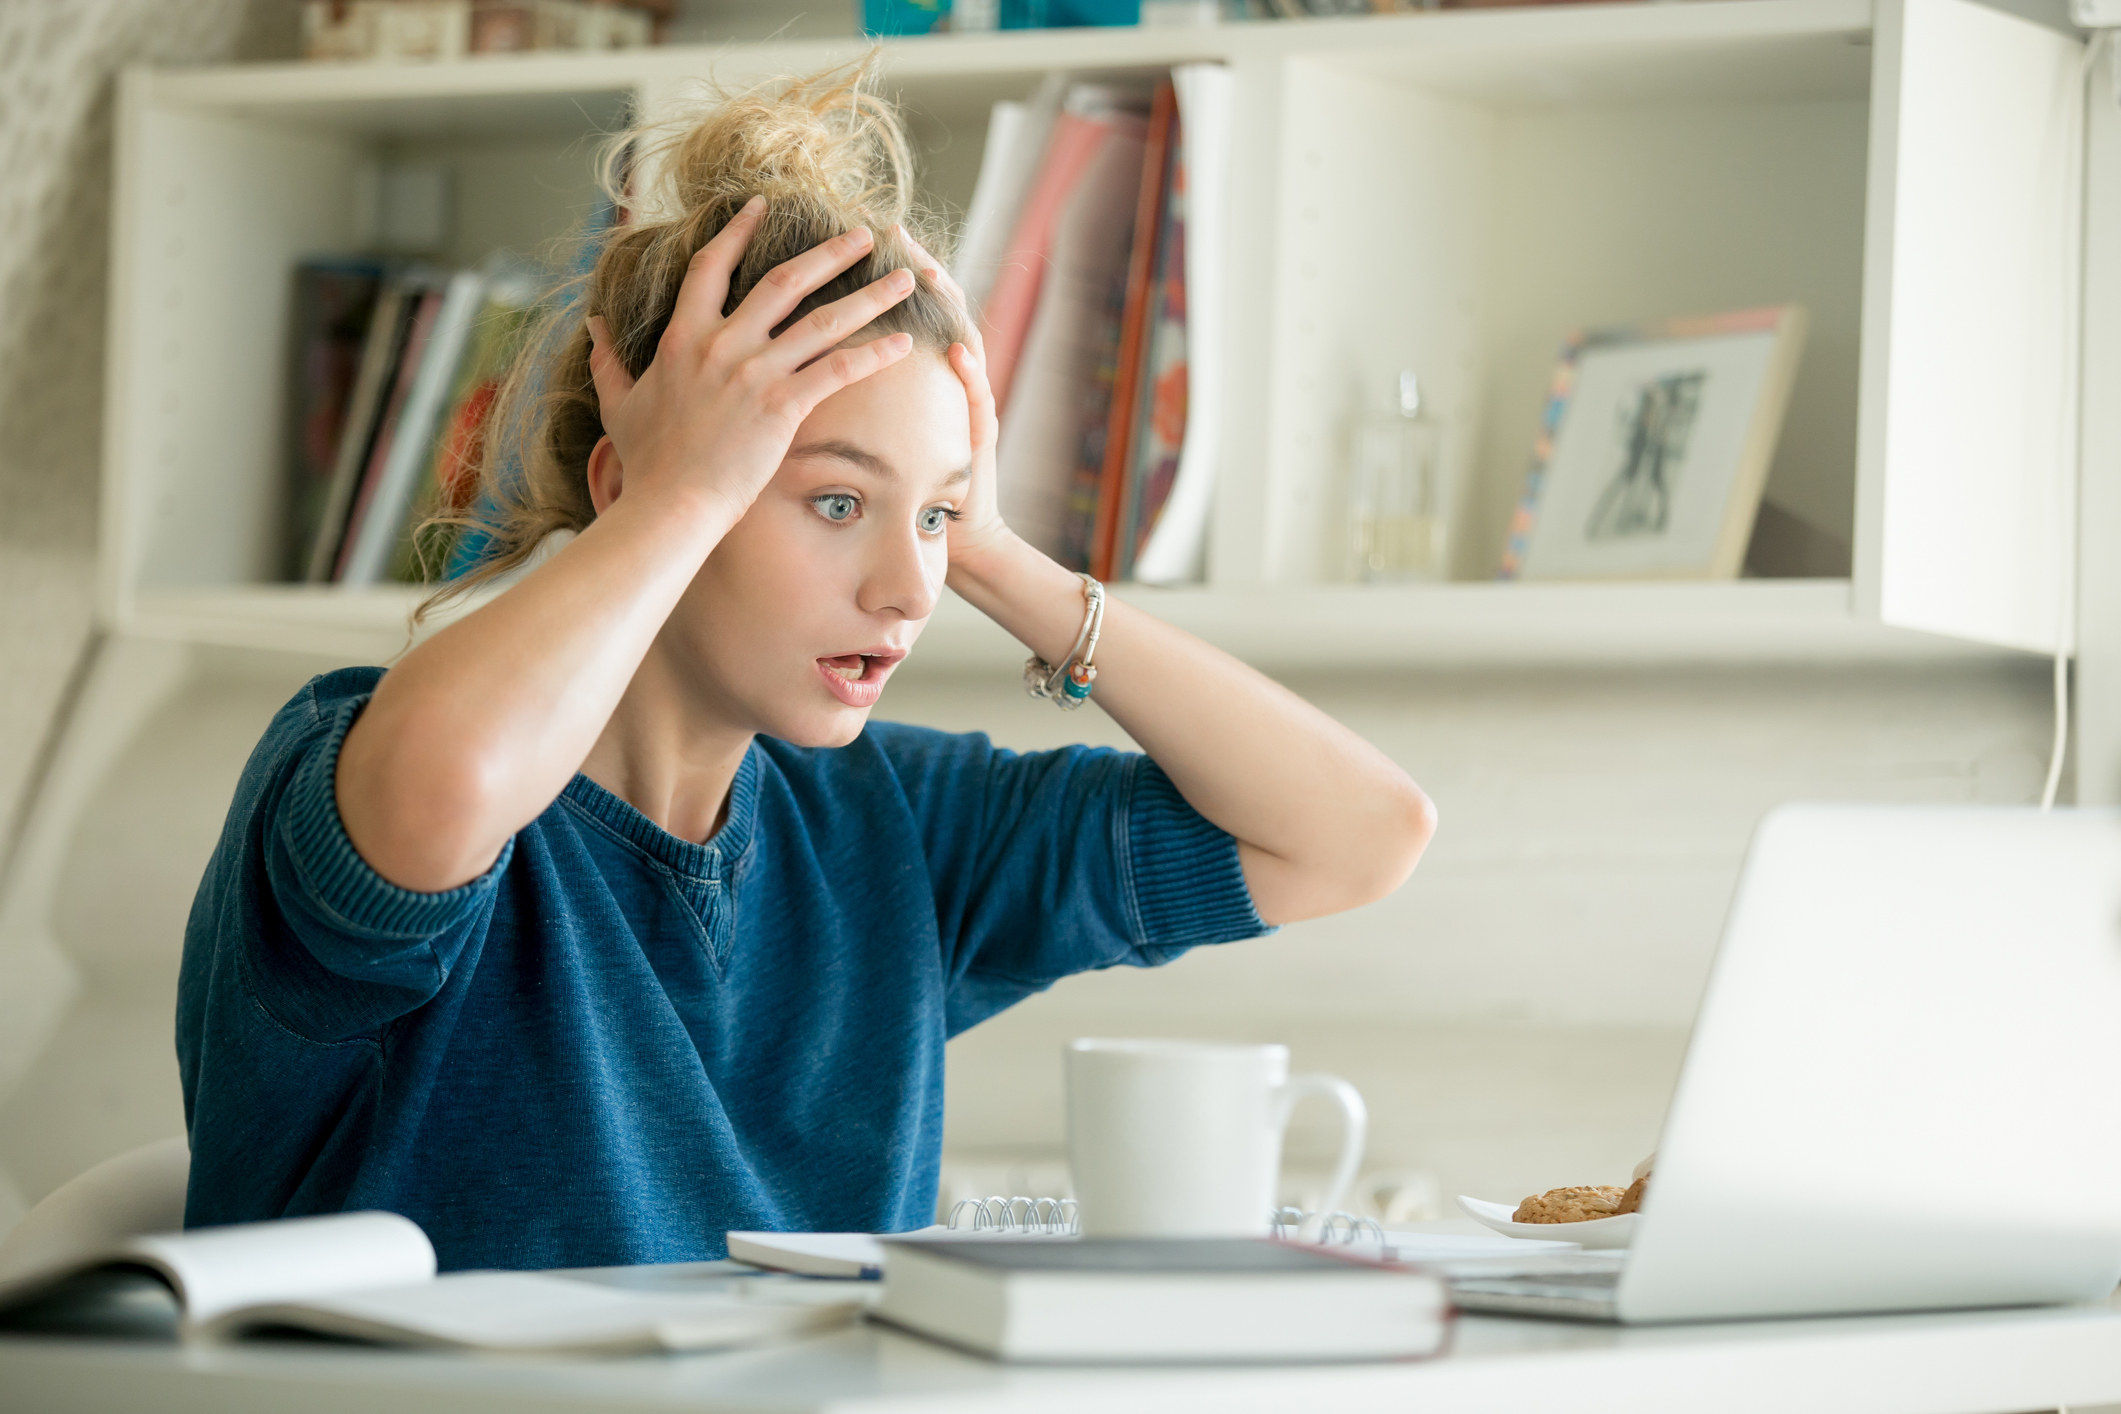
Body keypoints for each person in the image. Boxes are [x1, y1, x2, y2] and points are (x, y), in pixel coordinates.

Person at [175, 64, 1435, 1271]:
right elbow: (448, 790)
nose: (907, 589)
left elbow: (1357, 832)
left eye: (931, 522)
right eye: (835, 503)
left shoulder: (894, 826)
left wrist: (995, 552)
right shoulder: (354, 758)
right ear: (639, 484)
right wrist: (678, 500)